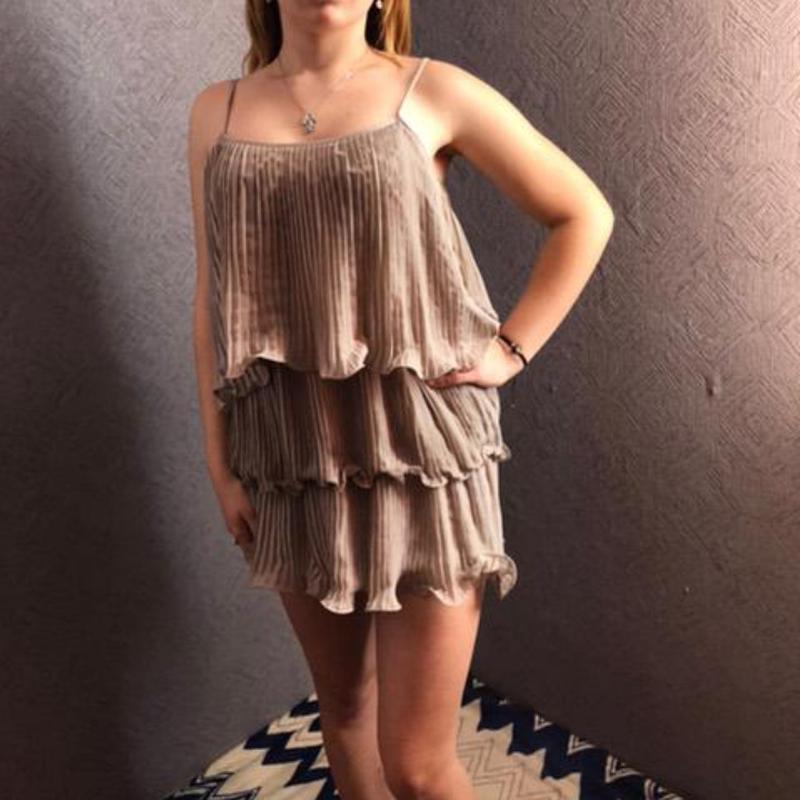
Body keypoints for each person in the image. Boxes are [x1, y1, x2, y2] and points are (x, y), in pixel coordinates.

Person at [186, 2, 614, 797]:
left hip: (422, 457)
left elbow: (582, 213)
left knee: (417, 764)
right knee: (345, 712)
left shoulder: (433, 90)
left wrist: (510, 349)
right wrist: (220, 461)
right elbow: (213, 296)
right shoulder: (219, 110)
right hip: (290, 460)